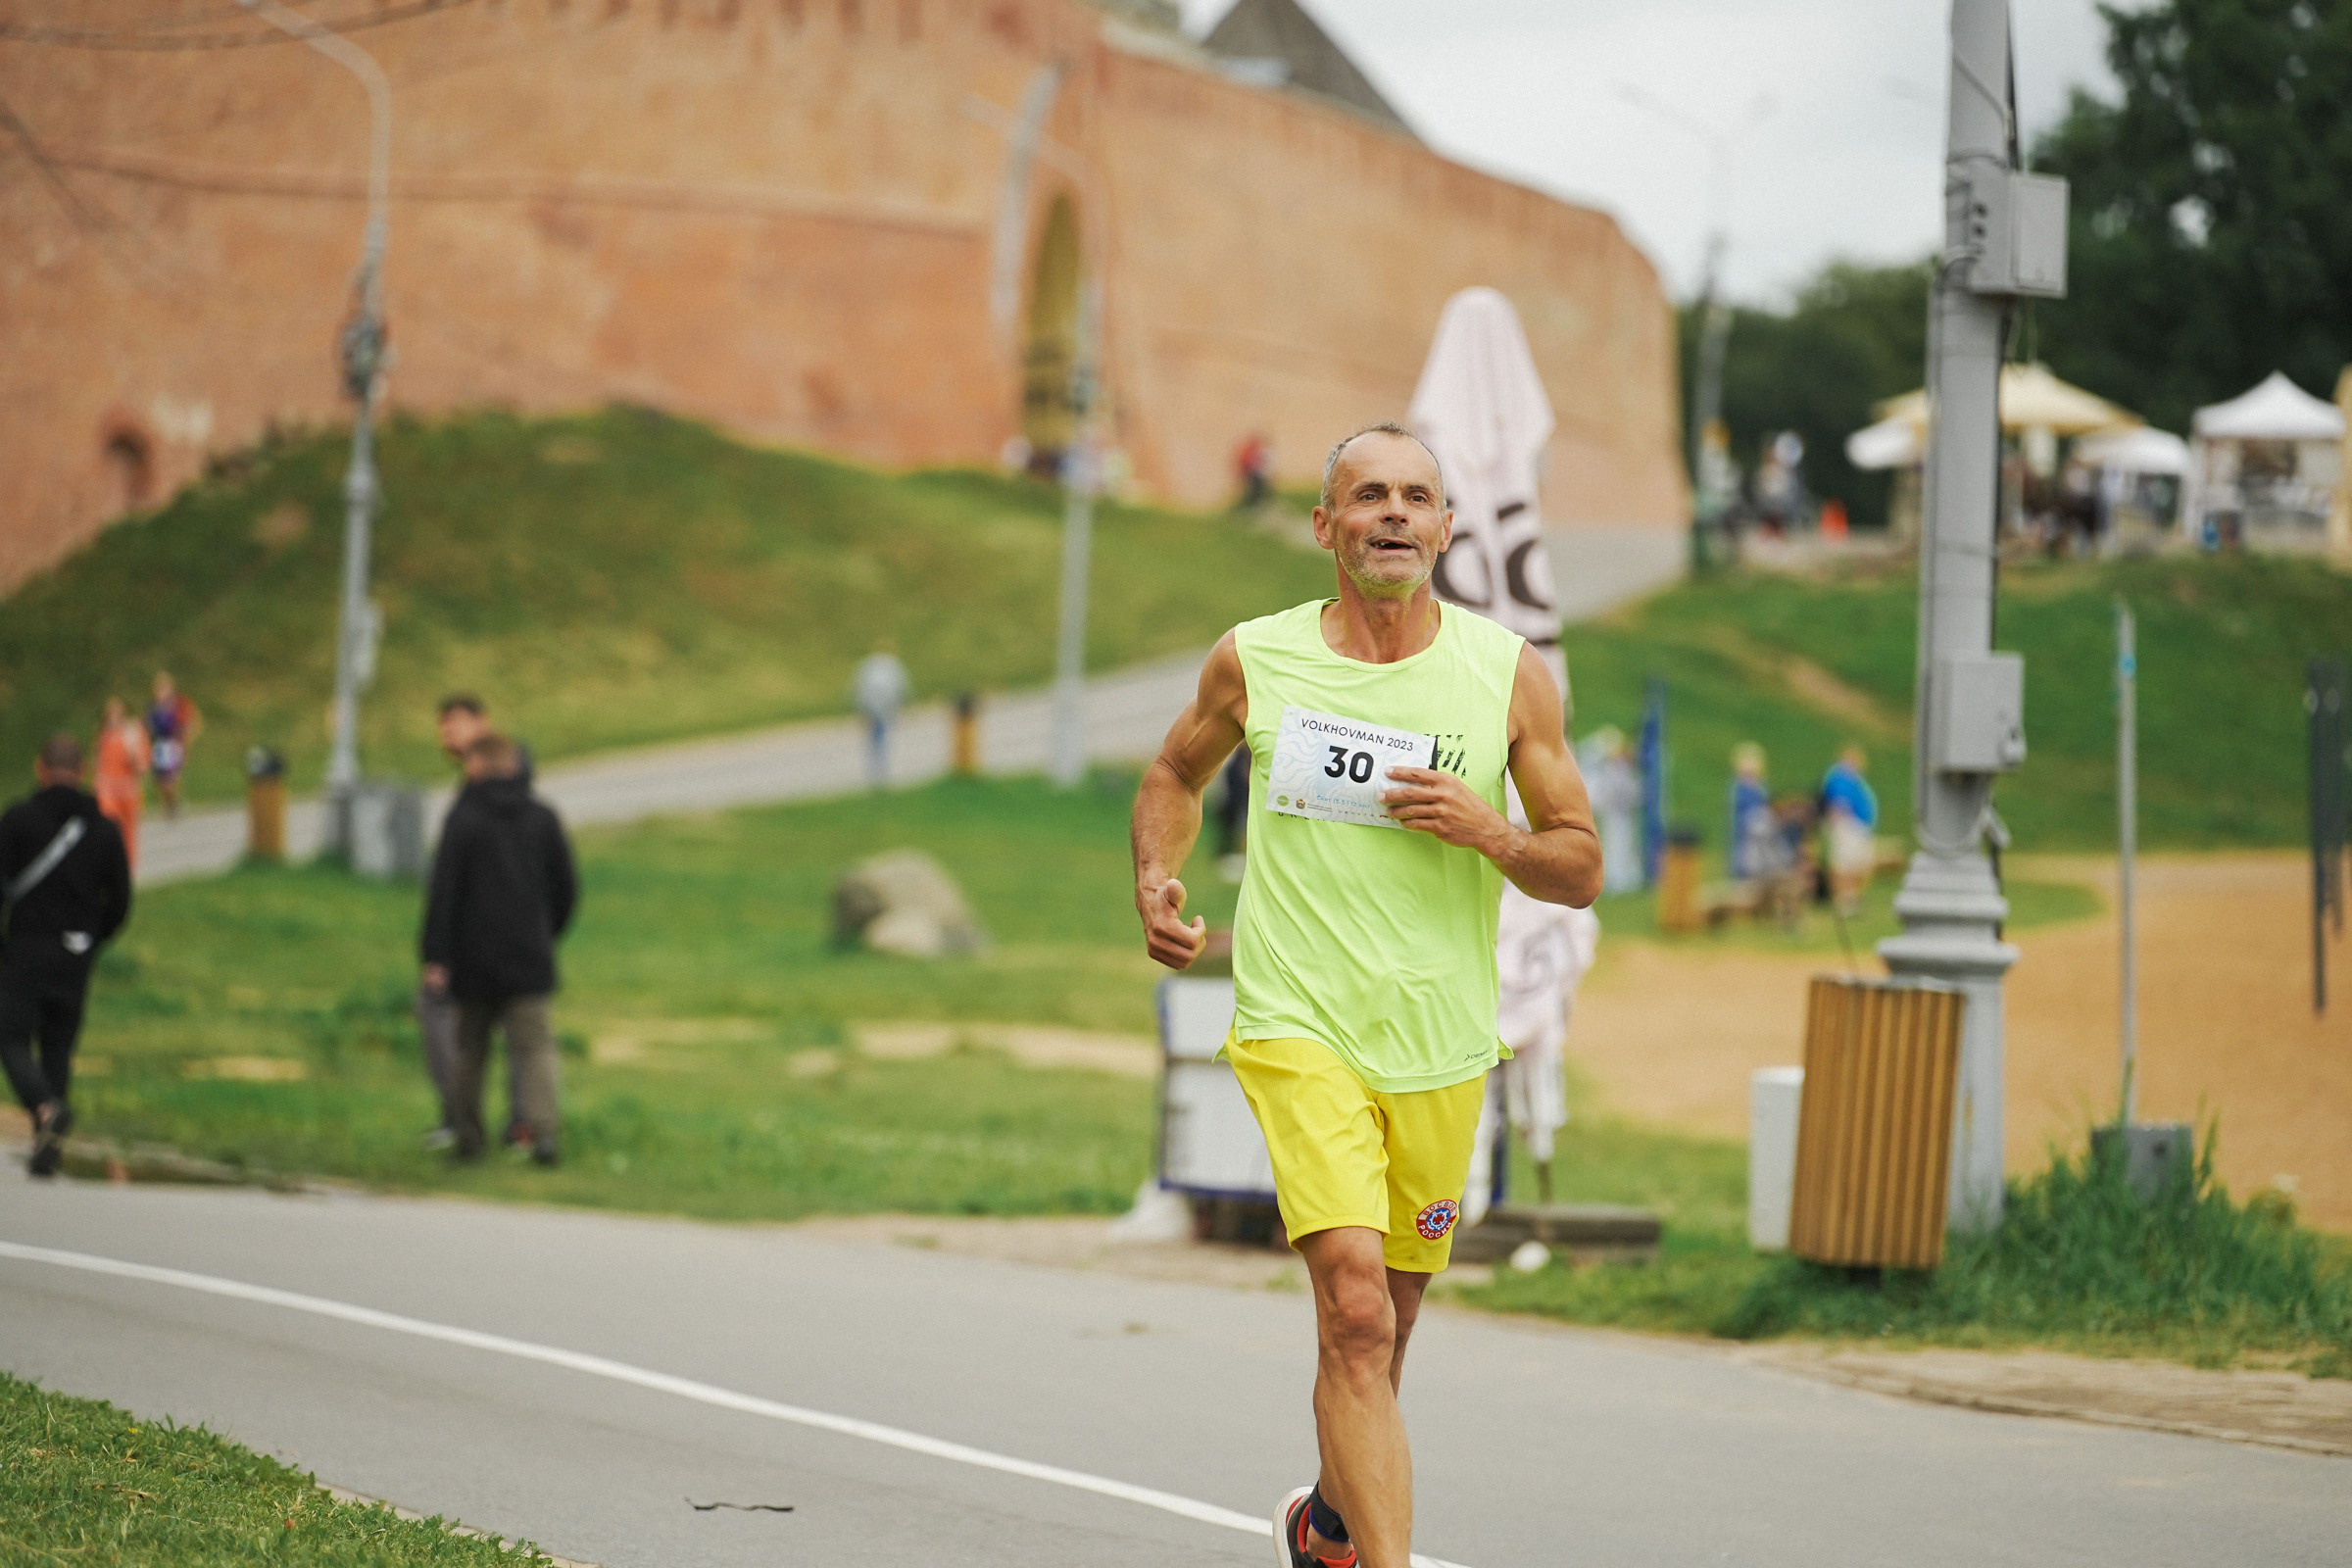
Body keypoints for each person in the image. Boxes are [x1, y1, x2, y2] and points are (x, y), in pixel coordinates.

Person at [1131, 423, 1600, 1568]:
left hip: (1441, 1041)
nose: (1393, 513)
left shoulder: (1505, 675)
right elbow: (1173, 774)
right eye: (1368, 495)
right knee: (1351, 1307)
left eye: (1416, 497)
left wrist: (1488, 829)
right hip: (1298, 1019)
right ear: (1325, 525)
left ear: (1445, 527)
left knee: (1385, 1329)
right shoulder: (1258, 658)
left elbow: (1580, 863)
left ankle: (1331, 1529)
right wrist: (1156, 873)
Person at [420, 733, 577, 1164]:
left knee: (471, 1049)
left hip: (473, 958)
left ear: (476, 767)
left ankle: (469, 1136)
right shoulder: (543, 818)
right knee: (536, 1047)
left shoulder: (464, 818)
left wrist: (436, 954)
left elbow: (443, 891)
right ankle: (543, 1134)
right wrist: (547, 932)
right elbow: (566, 888)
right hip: (530, 956)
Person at [1, 735, 133, 1178]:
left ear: (41, 768)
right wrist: (94, 939)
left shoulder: (18, 821)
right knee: (58, 1046)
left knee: (12, 1039)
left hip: (26, 949)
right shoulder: (103, 828)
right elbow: (120, 900)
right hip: (76, 954)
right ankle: (48, 1150)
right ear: (82, 772)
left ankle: (44, 1107)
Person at [1466, 790, 1601, 1218]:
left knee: (1527, 1102)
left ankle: (1494, 1202)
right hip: (1485, 1003)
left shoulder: (1545, 871)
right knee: (1475, 1108)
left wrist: (1559, 997)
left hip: (1525, 999)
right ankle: (1468, 1204)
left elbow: (1580, 936)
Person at [1578, 726, 1642, 894]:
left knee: (1622, 846)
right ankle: (1615, 881)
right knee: (1615, 846)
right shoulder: (1609, 767)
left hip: (1620, 814)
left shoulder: (1621, 769)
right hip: (1613, 813)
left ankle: (1620, 880)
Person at [1819, 743, 1880, 916]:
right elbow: (1836, 805)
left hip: (1860, 828)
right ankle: (1843, 900)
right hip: (1848, 826)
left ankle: (1851, 897)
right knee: (1844, 865)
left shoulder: (1854, 780)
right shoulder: (1840, 778)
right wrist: (1839, 827)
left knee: (1858, 865)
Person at [92, 699, 150, 874]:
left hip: (128, 793)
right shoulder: (104, 735)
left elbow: (142, 766)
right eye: (110, 714)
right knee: (108, 826)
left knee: (128, 832)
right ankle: (108, 866)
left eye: (117, 713)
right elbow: (99, 762)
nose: (113, 718)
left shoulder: (133, 733)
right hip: (108, 791)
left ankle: (127, 870)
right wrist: (97, 785)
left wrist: (133, 751)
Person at [144, 671, 202, 818]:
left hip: (173, 744)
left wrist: (185, 739)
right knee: (161, 780)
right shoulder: (153, 706)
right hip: (158, 745)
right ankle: (171, 803)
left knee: (170, 778)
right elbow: (147, 726)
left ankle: (172, 804)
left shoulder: (178, 704)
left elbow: (192, 720)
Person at [852, 644, 909, 790]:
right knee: (881, 737)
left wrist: (859, 707)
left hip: (871, 707)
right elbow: (901, 687)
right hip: (884, 708)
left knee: (875, 737)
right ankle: (880, 769)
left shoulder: (868, 666)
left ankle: (876, 770)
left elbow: (859, 688)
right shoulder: (891, 666)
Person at [1728, 742, 1776, 882]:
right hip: (1744, 831)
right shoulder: (1737, 787)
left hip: (1761, 831)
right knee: (1743, 859)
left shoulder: (1761, 786)